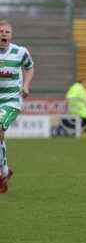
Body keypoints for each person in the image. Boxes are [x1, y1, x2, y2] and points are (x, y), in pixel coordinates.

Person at [0, 20, 34, 193]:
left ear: (11, 35)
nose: (4, 34)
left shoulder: (20, 52)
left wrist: (26, 85)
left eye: (7, 32)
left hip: (12, 100)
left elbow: (29, 67)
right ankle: (4, 171)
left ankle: (3, 172)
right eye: (1, 31)